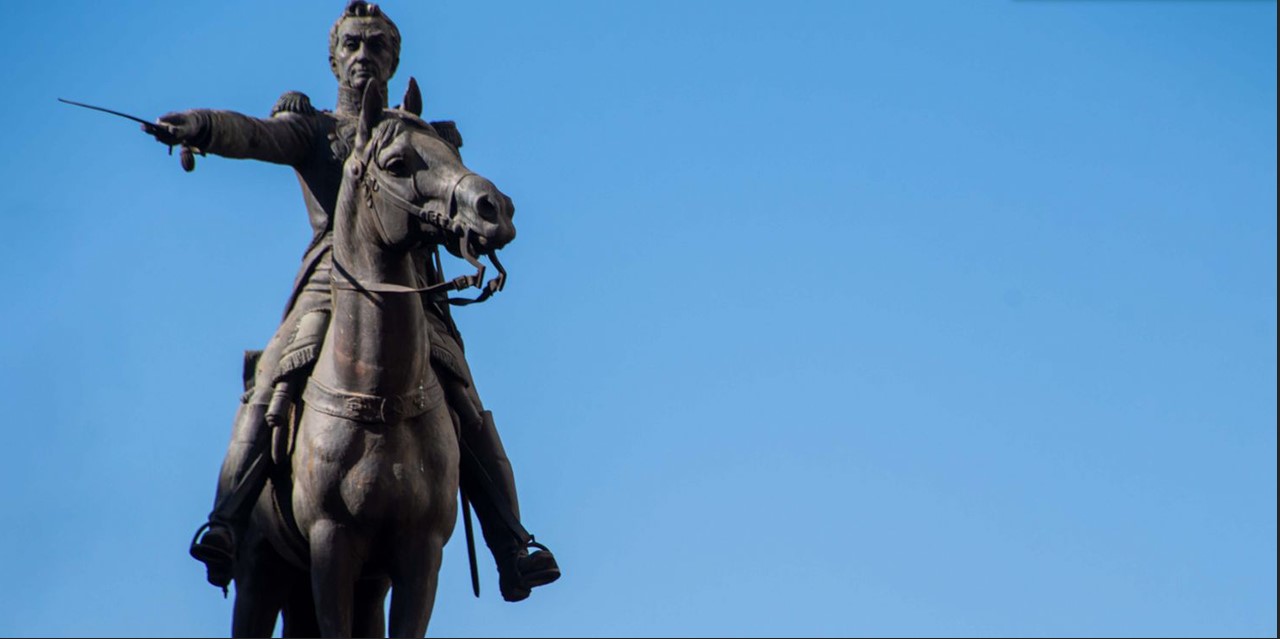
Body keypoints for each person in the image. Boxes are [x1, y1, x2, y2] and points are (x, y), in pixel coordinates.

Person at [149, 0, 559, 603]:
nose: (364, 56)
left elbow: (449, 197)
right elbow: (254, 136)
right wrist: (200, 126)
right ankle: (228, 520)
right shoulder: (315, 128)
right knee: (275, 375)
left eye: (377, 46)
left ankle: (512, 545)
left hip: (416, 295)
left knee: (463, 397)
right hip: (329, 285)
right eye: (353, 46)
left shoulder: (421, 136)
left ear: (395, 58)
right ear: (335, 58)